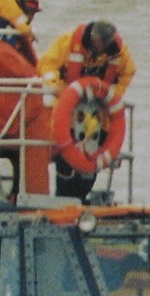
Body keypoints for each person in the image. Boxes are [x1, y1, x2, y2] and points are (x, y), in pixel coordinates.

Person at [37, 20, 136, 201]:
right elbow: (46, 64)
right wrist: (56, 85)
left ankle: (81, 198)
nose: (99, 49)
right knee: (65, 161)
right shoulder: (67, 42)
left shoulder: (119, 53)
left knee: (90, 163)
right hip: (66, 113)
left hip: (97, 116)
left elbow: (128, 72)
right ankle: (64, 200)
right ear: (92, 39)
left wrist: (114, 94)